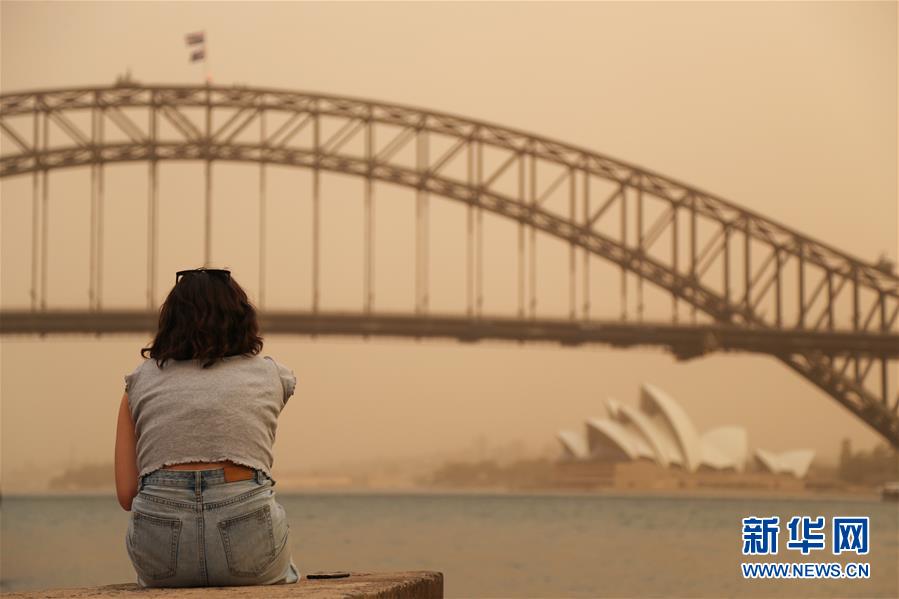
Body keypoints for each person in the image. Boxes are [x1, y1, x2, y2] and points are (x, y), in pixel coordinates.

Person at [114, 267, 300, 587]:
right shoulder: (272, 376)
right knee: (286, 570)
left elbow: (127, 494)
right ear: (242, 318)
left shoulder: (139, 382)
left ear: (170, 322)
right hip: (249, 543)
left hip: (161, 555)